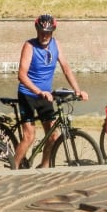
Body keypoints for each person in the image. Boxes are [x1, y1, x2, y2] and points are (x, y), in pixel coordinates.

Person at [12, 14, 88, 168]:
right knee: (29, 136)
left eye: (47, 32)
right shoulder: (30, 46)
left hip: (45, 96)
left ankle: (44, 167)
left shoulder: (56, 44)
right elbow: (21, 75)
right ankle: (12, 169)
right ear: (37, 30)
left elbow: (66, 68)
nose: (44, 35)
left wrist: (78, 90)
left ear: (52, 32)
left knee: (53, 135)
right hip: (28, 94)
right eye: (41, 32)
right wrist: (39, 91)